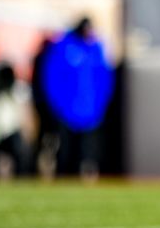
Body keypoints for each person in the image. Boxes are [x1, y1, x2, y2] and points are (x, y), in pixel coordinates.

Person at [40, 17, 114, 181]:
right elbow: (51, 79)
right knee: (65, 151)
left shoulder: (96, 48)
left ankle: (82, 180)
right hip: (65, 111)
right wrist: (56, 106)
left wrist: (99, 106)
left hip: (89, 112)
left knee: (86, 152)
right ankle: (61, 181)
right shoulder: (63, 46)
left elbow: (104, 79)